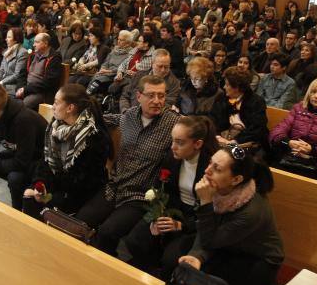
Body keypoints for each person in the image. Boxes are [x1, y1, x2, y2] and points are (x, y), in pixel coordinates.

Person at [77, 75, 180, 256]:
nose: (157, 101)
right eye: (151, 95)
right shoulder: (129, 116)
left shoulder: (174, 123)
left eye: (162, 96)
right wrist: (78, 117)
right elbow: (103, 120)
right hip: (115, 185)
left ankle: (105, 270)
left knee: (107, 232)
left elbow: (195, 132)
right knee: (81, 221)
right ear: (139, 96)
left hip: (140, 196)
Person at [171, 145, 284, 285]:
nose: (207, 171)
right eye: (210, 163)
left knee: (197, 280)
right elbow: (209, 229)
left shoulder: (251, 212)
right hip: (228, 245)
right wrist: (196, 255)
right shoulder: (217, 188)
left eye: (217, 169)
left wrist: (206, 201)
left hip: (257, 260)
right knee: (174, 258)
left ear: (236, 179)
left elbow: (210, 238)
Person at [122, 116, 218, 273]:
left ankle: (163, 277)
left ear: (197, 144)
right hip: (172, 210)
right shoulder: (172, 158)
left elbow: (212, 214)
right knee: (134, 240)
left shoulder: (211, 168)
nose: (173, 147)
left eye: (180, 142)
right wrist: (157, 217)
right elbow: (162, 189)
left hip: (196, 219)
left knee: (171, 259)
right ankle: (151, 269)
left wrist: (182, 225)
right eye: (172, 140)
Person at [22, 84, 111, 219]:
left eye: (56, 103)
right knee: (29, 196)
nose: (53, 106)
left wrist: (47, 196)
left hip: (80, 193)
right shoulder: (55, 126)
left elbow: (82, 183)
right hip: (60, 186)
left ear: (70, 108)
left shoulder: (93, 136)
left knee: (40, 205)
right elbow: (45, 161)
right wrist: (40, 185)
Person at [0, 82, 48, 210]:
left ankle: (16, 213)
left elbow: (22, 162)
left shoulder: (23, 120)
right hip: (18, 154)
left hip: (38, 162)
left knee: (15, 178)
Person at [269, 77, 317, 181]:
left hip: (315, 163)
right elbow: (277, 130)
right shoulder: (298, 108)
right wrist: (288, 142)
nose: (316, 96)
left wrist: (311, 150)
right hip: (291, 156)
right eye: (313, 92)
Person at [210, 66, 268, 150]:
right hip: (223, 137)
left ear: (237, 87)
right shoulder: (222, 97)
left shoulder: (257, 102)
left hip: (247, 142)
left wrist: (234, 141)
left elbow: (257, 129)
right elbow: (213, 118)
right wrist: (218, 136)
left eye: (227, 85)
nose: (224, 87)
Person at [16, 32, 62, 111]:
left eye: (37, 42)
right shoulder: (33, 55)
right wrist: (20, 87)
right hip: (27, 87)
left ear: (45, 43)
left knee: (22, 106)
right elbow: (22, 73)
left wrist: (25, 90)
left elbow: (48, 82)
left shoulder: (54, 58)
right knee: (7, 98)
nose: (33, 45)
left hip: (42, 92)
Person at [85, 30, 133, 95]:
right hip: (104, 73)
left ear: (128, 43)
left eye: (121, 40)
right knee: (93, 79)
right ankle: (88, 97)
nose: (118, 41)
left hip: (114, 75)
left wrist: (108, 71)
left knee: (96, 82)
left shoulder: (130, 54)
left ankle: (88, 98)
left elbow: (122, 68)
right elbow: (106, 62)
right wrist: (103, 69)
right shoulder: (114, 50)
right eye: (118, 39)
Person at [0, 26, 28, 97]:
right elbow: (1, 70)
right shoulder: (7, 51)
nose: (6, 39)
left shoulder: (23, 52)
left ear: (16, 39)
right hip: (3, 83)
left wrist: (1, 82)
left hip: (13, 86)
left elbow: (17, 75)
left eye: (9, 37)